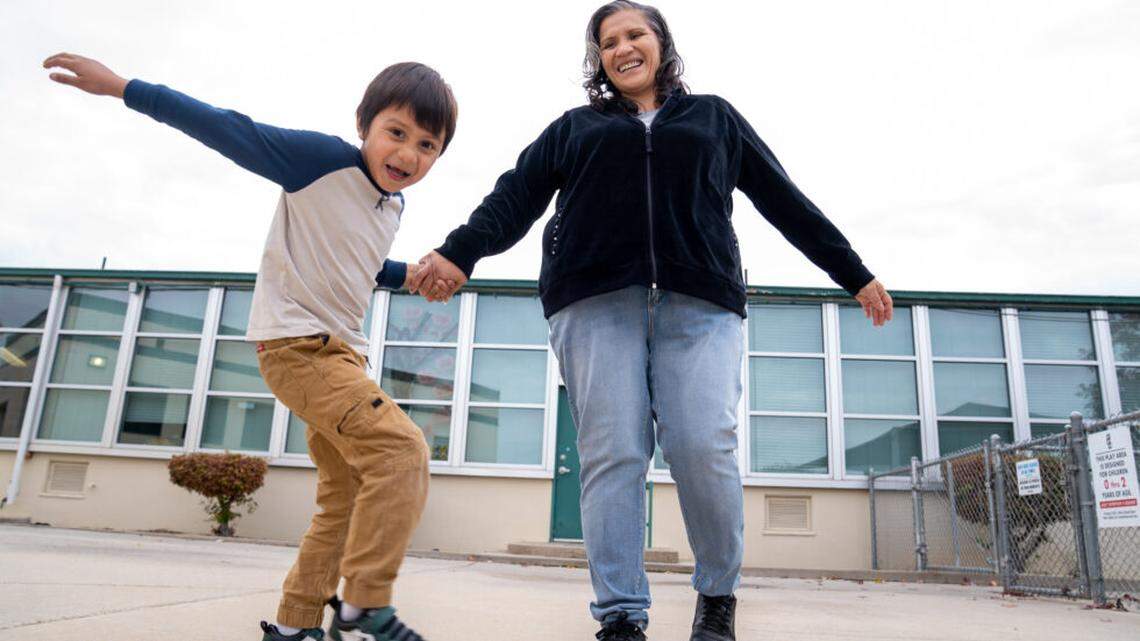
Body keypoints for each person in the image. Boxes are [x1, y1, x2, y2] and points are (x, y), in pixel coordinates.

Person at [410, 2, 893, 640]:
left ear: (661, 43)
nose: (623, 48)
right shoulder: (574, 127)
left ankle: (717, 596)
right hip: (593, 302)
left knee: (702, 447)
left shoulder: (714, 117)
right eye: (608, 42)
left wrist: (853, 272)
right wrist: (459, 251)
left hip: (700, 304)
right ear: (600, 59)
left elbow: (783, 198)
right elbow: (514, 195)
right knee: (613, 454)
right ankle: (619, 616)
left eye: (635, 34)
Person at [43, 52, 458, 641]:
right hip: (300, 350)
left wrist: (406, 276)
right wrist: (122, 87)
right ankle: (364, 604)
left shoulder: (391, 205)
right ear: (364, 124)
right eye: (397, 134)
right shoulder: (319, 160)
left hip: (343, 359)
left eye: (427, 147)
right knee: (402, 453)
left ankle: (293, 627)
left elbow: (357, 265)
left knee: (344, 499)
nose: (408, 156)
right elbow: (226, 127)